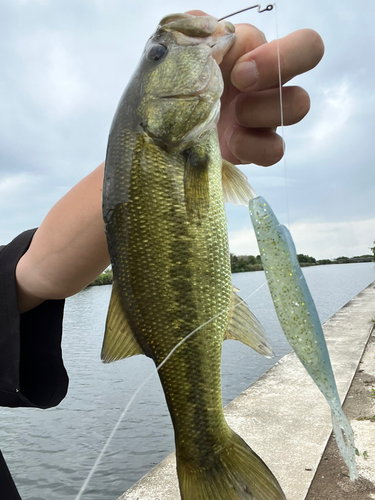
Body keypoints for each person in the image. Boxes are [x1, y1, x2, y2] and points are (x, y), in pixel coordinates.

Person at [0, 16, 324, 499]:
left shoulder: (180, 142)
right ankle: (205, 447)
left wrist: (215, 134)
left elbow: (31, 274)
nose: (169, 49)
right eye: (159, 56)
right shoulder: (172, 142)